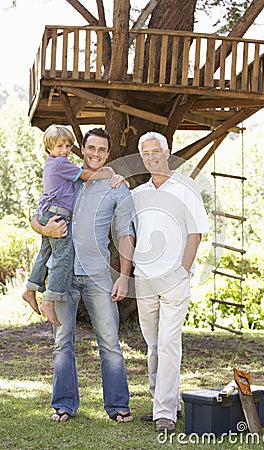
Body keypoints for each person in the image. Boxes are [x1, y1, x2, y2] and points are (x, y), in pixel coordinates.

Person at [30, 127, 135, 423]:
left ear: (108, 153)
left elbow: (126, 233)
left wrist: (124, 275)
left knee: (110, 342)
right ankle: (64, 404)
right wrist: (43, 228)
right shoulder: (67, 176)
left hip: (98, 276)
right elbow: (37, 213)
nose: (96, 154)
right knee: (62, 342)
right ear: (83, 149)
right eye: (91, 148)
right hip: (62, 276)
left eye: (102, 150)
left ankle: (118, 406)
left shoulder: (116, 187)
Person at [131, 131, 210, 433]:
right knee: (152, 345)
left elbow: (196, 233)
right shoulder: (137, 195)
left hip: (175, 279)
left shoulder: (186, 189)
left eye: (156, 152)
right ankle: (163, 401)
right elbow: (130, 232)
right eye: (145, 154)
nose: (151, 158)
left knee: (167, 343)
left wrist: (183, 271)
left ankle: (165, 413)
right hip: (145, 279)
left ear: (167, 152)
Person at [22, 124, 117, 326]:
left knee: (45, 253)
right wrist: (107, 173)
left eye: (67, 146)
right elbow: (85, 175)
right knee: (62, 258)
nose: (64, 150)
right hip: (58, 216)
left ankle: (31, 289)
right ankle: (50, 299)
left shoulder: (54, 163)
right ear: (49, 148)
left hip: (48, 213)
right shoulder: (61, 164)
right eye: (59, 146)